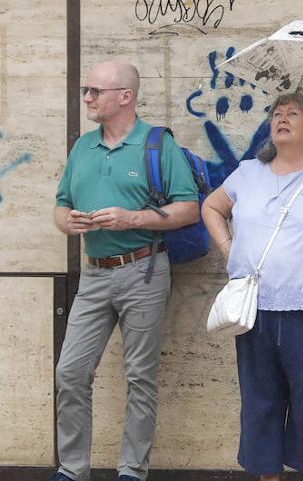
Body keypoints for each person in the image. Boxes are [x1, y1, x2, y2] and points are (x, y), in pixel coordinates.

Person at [51, 61, 201, 481]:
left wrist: (132, 219)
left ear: (125, 96)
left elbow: (188, 208)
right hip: (94, 275)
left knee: (140, 376)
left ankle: (131, 472)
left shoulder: (157, 144)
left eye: (95, 91)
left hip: (144, 271)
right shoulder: (83, 146)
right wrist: (69, 222)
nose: (87, 99)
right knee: (71, 372)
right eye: (86, 90)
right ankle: (72, 470)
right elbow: (60, 205)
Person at [201, 91, 303, 481]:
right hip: (257, 310)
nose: (282, 118)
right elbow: (211, 207)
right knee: (260, 404)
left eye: (293, 113)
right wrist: (229, 249)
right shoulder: (247, 173)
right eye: (277, 113)